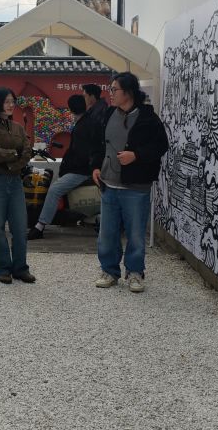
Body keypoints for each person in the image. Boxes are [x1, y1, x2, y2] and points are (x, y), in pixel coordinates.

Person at [89, 72, 168, 293]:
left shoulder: (147, 118)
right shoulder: (108, 114)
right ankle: (109, 271)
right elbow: (99, 144)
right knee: (107, 233)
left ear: (129, 92)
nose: (110, 93)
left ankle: (135, 272)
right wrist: (96, 166)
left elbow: (161, 145)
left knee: (135, 234)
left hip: (136, 187)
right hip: (108, 184)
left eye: (114, 89)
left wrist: (136, 155)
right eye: (110, 89)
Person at [0, 87, 35, 284]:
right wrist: (15, 155)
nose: (11, 105)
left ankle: (20, 268)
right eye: (7, 101)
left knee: (20, 227)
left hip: (15, 181)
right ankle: (2, 268)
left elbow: (27, 152)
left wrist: (12, 164)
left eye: (13, 101)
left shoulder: (18, 127)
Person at [28, 94, 92, 241]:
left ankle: (40, 226)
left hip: (80, 171)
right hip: (81, 169)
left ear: (71, 108)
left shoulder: (83, 126)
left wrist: (67, 168)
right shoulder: (84, 123)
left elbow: (80, 154)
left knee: (54, 190)